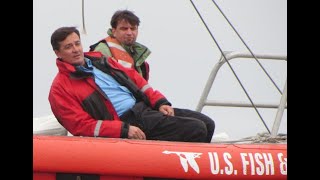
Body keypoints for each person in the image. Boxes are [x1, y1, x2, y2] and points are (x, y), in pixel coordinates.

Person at [49, 26, 215, 143]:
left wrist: (160, 102)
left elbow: (136, 80)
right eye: (68, 47)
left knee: (208, 123)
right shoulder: (60, 89)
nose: (76, 49)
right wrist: (123, 129)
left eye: (77, 43)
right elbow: (81, 126)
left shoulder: (100, 60)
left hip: (144, 110)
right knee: (197, 129)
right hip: (127, 121)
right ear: (58, 53)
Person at [89, 10, 151, 81]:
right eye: (124, 29)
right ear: (114, 31)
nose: (129, 33)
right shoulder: (103, 49)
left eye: (133, 28)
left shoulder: (139, 58)